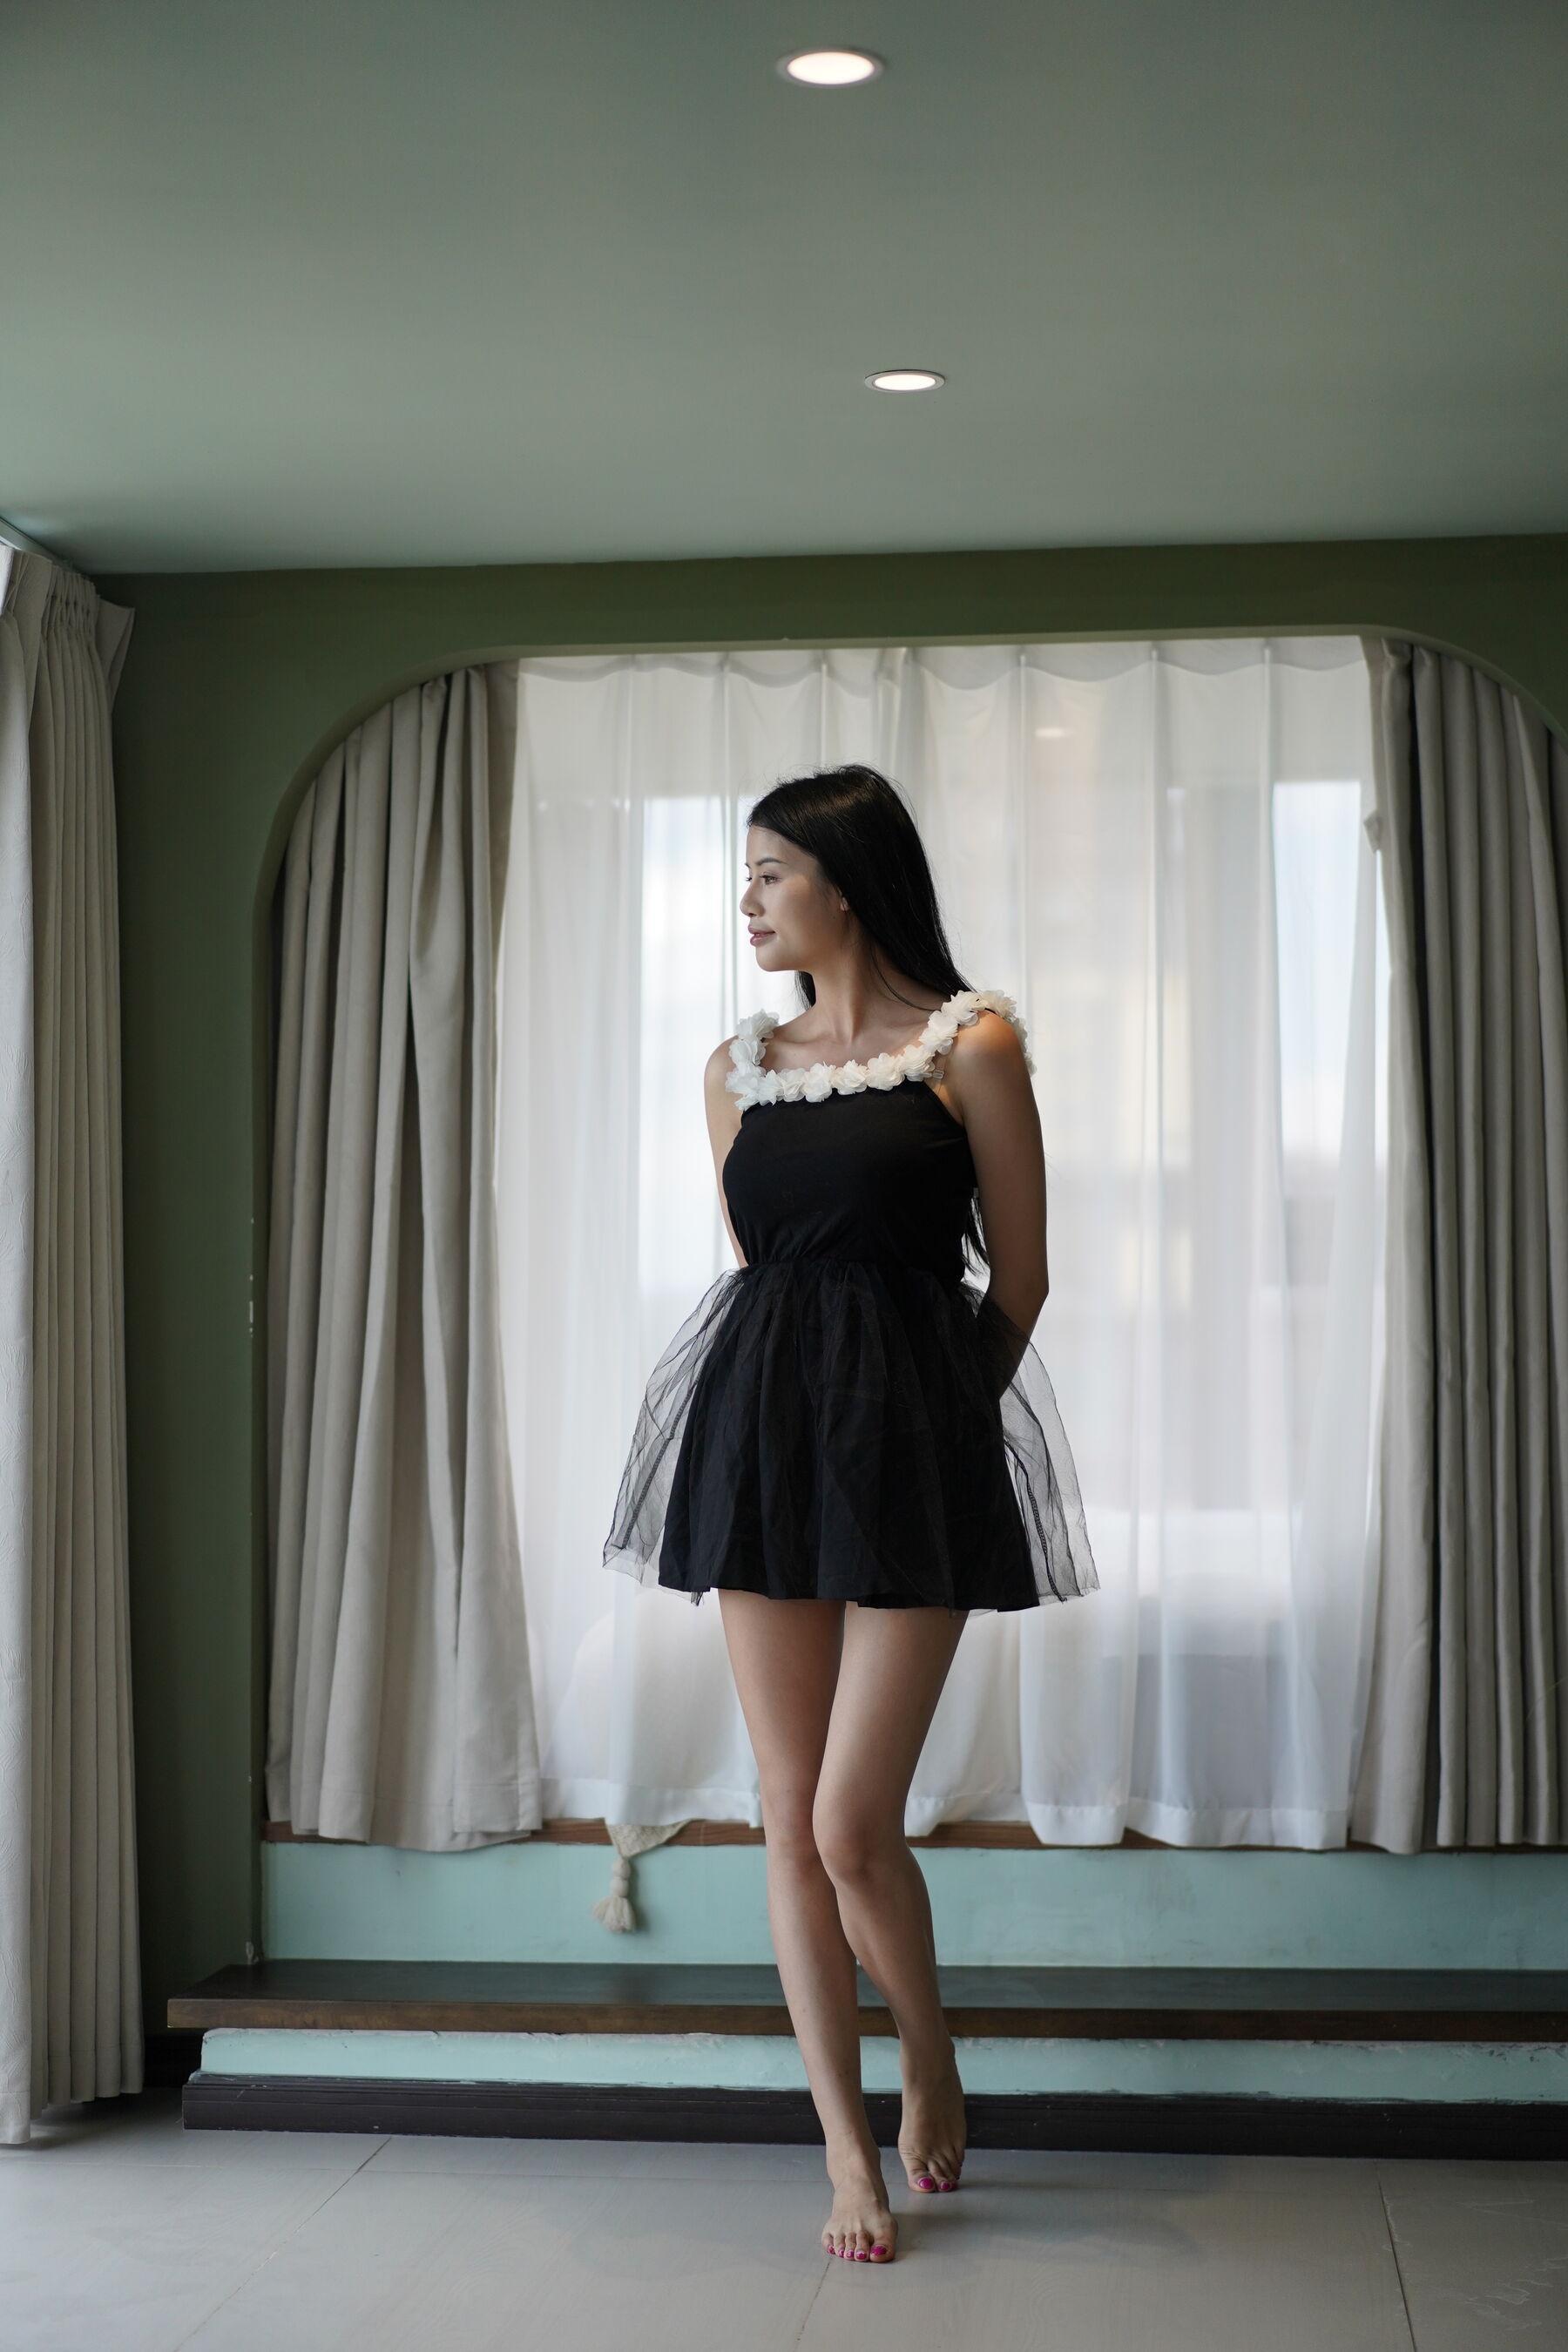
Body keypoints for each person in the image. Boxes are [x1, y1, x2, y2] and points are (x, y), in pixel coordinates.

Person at [602, 762, 1098, 2265]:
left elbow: (1020, 1279)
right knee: (787, 1816)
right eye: (744, 877)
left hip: (912, 1457)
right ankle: (843, 2148)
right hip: (762, 1443)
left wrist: (931, 1438)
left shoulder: (972, 1042)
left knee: (848, 1820)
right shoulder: (735, 1067)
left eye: (769, 872)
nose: (746, 902)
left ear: (847, 878)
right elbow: (769, 1272)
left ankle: (928, 2051)